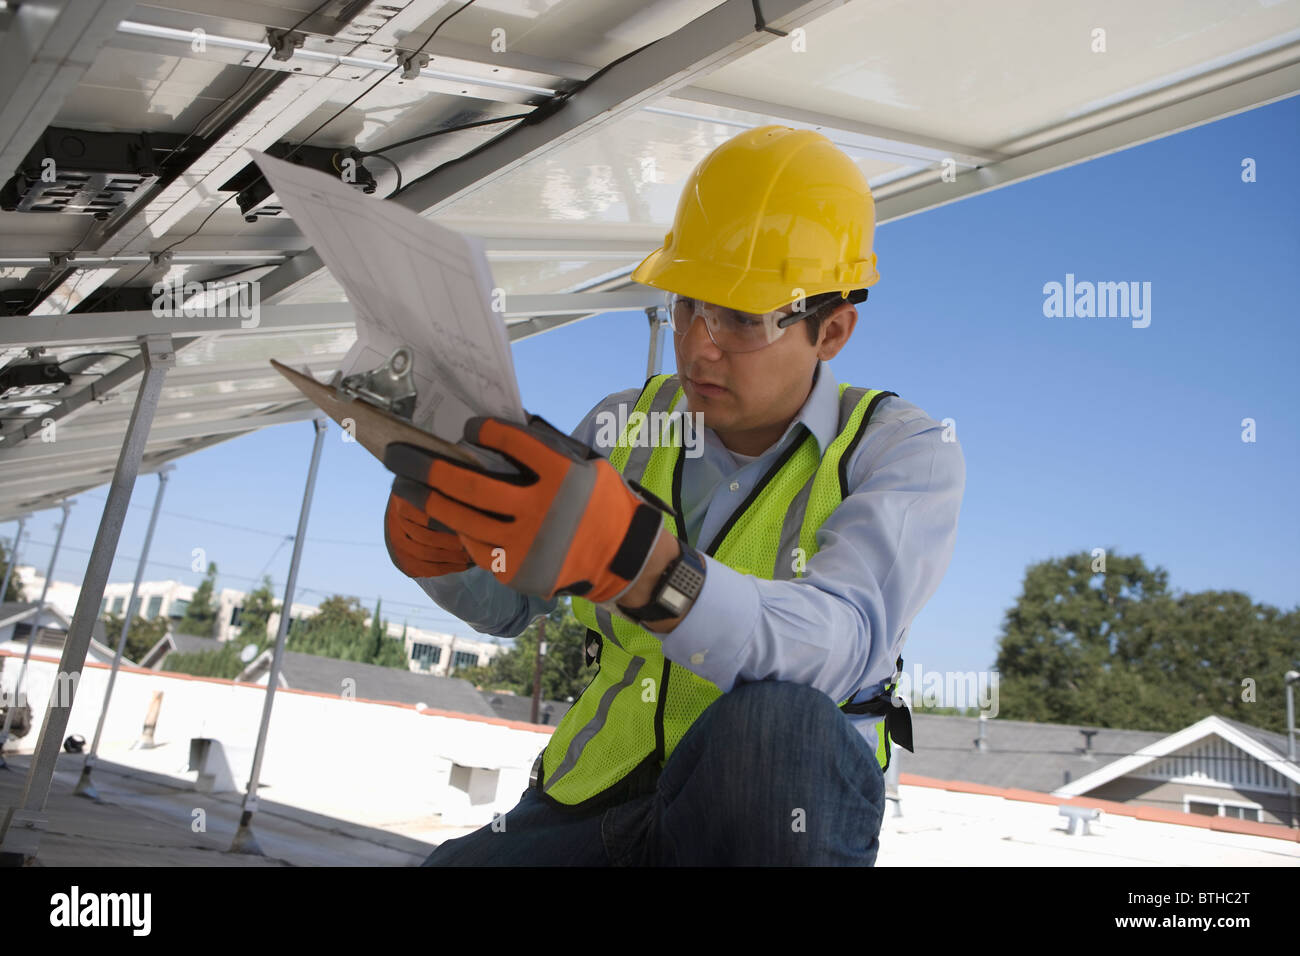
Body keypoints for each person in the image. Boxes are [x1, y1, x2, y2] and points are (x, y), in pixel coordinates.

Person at [381, 125, 965, 865]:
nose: (699, 345)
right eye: (689, 304)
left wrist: (652, 574)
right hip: (590, 802)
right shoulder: (625, 422)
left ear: (832, 332)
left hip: (756, 818)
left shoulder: (902, 451)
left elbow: (841, 646)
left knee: (782, 726)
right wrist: (450, 555)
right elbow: (517, 604)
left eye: (743, 319)